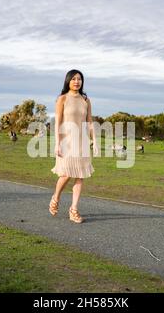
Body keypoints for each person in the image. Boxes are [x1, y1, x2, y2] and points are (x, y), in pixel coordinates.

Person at [49, 69, 98, 224]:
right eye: (74, 79)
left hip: (82, 142)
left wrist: (95, 141)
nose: (77, 81)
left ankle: (74, 209)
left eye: (79, 79)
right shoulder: (62, 99)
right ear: (68, 81)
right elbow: (57, 124)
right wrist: (57, 143)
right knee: (65, 174)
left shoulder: (85, 100)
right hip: (66, 142)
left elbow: (90, 122)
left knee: (80, 176)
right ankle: (56, 197)